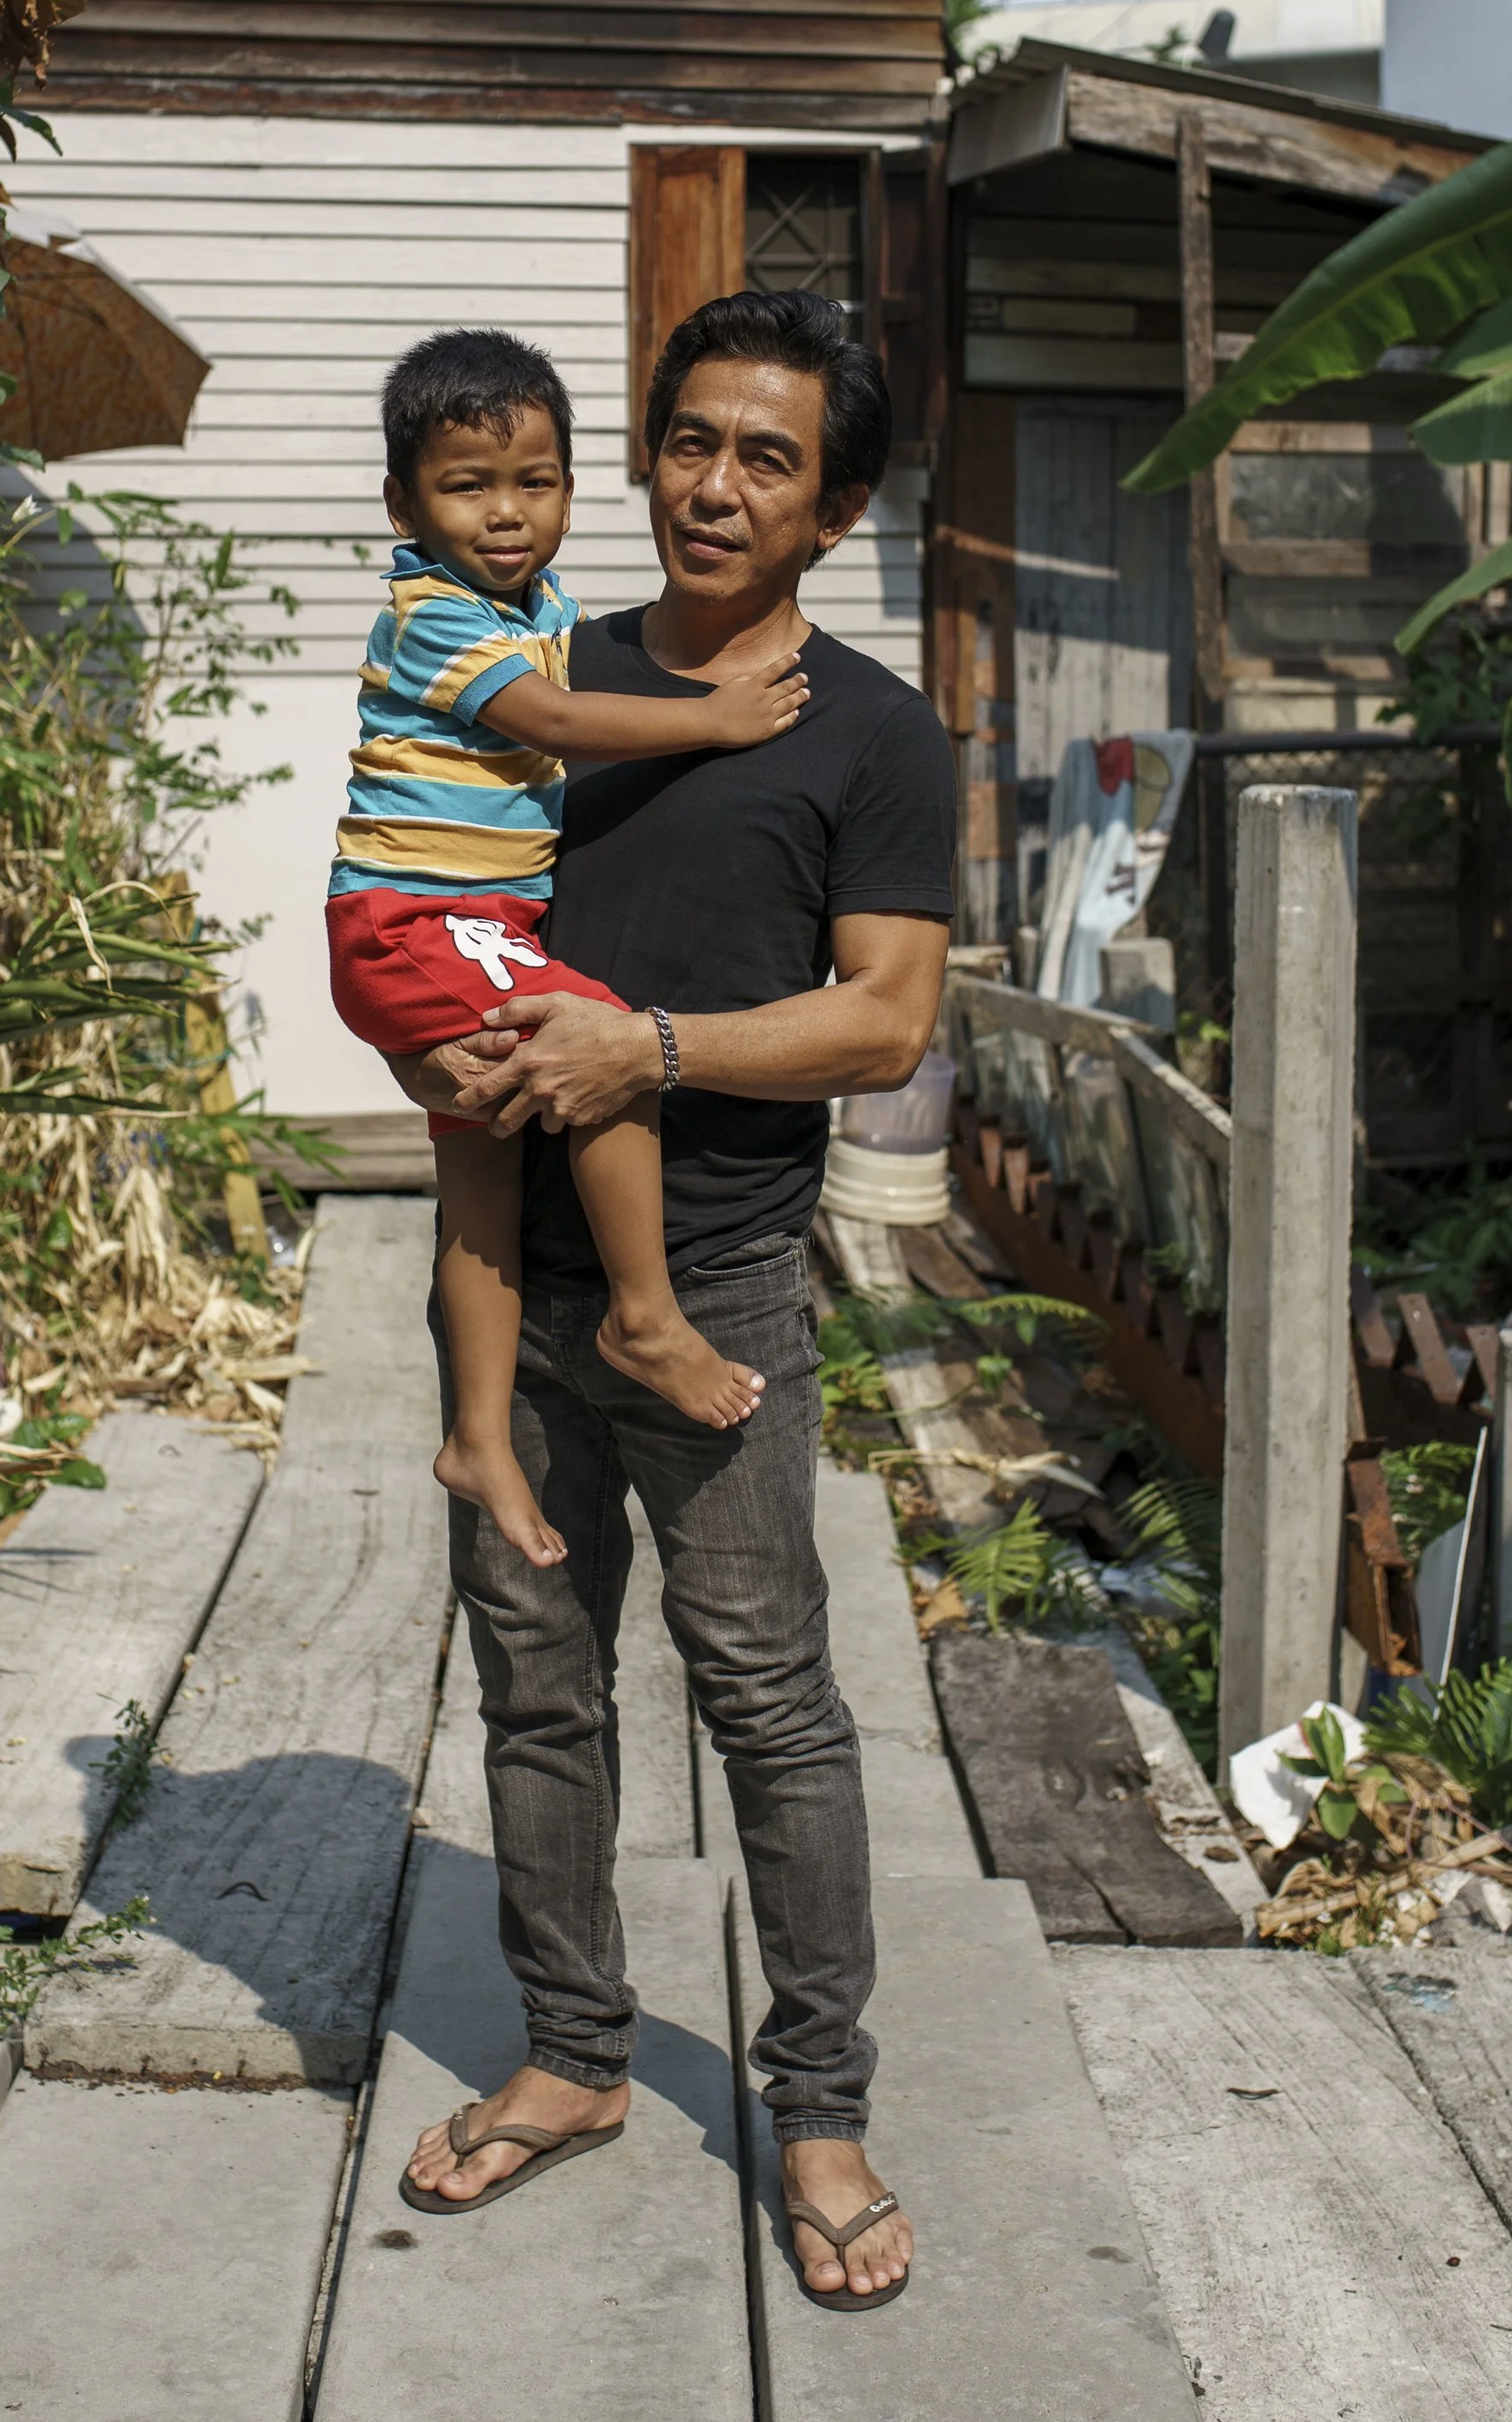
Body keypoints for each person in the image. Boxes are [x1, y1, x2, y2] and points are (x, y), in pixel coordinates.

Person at [392, 288, 953, 2310]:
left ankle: (815, 2102)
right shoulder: (532, 663)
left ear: (836, 506)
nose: (711, 485)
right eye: (689, 441)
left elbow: (885, 1025)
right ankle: (572, 2056)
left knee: (767, 1699)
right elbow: (410, 866)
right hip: (496, 1271)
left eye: (766, 458)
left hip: (706, 1291)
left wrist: (656, 1052)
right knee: (538, 1691)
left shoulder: (874, 736)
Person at [327, 328, 812, 1573]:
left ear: (573, 488)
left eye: (533, 482)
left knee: (481, 1164)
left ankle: (478, 1434)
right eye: (466, 486)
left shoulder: (535, 606)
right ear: (403, 502)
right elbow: (548, 717)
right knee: (601, 1040)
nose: (505, 514)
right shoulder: (434, 615)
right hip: (422, 924)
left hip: (451, 927)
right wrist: (712, 717)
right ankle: (645, 1316)